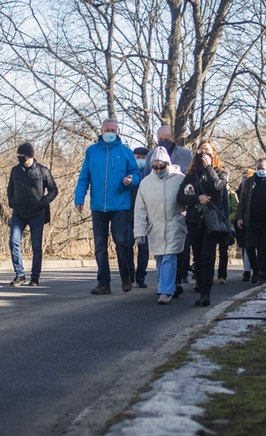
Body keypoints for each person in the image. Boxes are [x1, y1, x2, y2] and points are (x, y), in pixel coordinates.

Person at [74, 118, 141, 294]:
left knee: (121, 241)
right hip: (98, 205)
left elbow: (136, 174)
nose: (110, 133)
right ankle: (103, 283)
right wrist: (79, 198)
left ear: (117, 132)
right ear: (101, 131)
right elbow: (84, 177)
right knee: (100, 245)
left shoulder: (125, 152)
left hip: (120, 205)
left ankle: (126, 277)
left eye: (113, 130)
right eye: (107, 130)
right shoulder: (92, 152)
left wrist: (131, 180)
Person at [177, 141, 228, 307]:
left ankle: (206, 292)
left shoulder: (221, 172)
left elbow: (217, 186)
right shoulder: (191, 174)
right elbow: (181, 197)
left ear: (213, 153)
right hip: (194, 220)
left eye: (207, 151)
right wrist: (196, 198)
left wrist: (208, 168)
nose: (203, 154)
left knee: (208, 256)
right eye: (201, 151)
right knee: (197, 256)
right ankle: (200, 286)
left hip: (211, 221)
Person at [133, 147, 187, 304]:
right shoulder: (145, 183)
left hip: (174, 225)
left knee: (170, 257)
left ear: (168, 164)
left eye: (161, 166)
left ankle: (165, 291)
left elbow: (188, 201)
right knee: (160, 259)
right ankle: (165, 285)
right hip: (155, 227)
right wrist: (139, 232)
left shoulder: (180, 179)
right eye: (154, 166)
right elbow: (140, 210)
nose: (158, 169)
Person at [7, 143, 59, 286]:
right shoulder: (15, 171)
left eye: (21, 156)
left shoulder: (43, 171)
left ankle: (35, 277)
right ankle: (20, 274)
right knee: (13, 241)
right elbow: (9, 189)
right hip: (18, 213)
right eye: (17, 156)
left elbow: (54, 190)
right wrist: (11, 202)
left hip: (37, 214)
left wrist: (43, 203)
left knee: (36, 246)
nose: (19, 158)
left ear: (29, 156)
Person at [236, 158, 266, 285]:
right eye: (258, 168)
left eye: (263, 168)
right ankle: (256, 269)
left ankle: (264, 274)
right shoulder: (249, 182)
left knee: (264, 250)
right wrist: (240, 217)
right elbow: (242, 201)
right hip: (251, 222)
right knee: (250, 247)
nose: (260, 171)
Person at [128, 146, 151, 288]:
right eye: (138, 157)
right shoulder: (128, 174)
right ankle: (130, 273)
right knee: (127, 244)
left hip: (146, 215)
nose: (140, 160)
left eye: (143, 157)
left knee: (144, 247)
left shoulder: (151, 175)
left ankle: (141, 276)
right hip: (129, 213)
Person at [235, 169, 255, 281]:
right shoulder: (238, 192)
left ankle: (251, 269)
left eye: (246, 178)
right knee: (244, 246)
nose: (243, 180)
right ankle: (246, 269)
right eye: (243, 177)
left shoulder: (254, 191)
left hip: (252, 222)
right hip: (241, 222)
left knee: (250, 246)